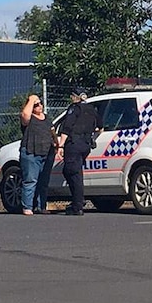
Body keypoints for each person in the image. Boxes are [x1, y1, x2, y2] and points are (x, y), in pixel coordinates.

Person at [57, 87, 100, 216]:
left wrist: (60, 146)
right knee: (72, 172)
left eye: (72, 96)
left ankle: (77, 205)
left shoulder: (74, 109)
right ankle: (78, 201)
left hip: (74, 145)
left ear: (76, 97)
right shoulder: (92, 110)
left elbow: (67, 128)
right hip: (85, 145)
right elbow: (100, 127)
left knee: (74, 174)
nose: (71, 98)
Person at [19, 94, 56, 215]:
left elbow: (52, 131)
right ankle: (27, 206)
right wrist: (31, 99)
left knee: (43, 182)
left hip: (47, 152)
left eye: (40, 103)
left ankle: (41, 206)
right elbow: (25, 116)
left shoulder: (46, 118)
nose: (39, 106)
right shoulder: (29, 119)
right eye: (36, 104)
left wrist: (57, 144)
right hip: (31, 152)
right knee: (30, 180)